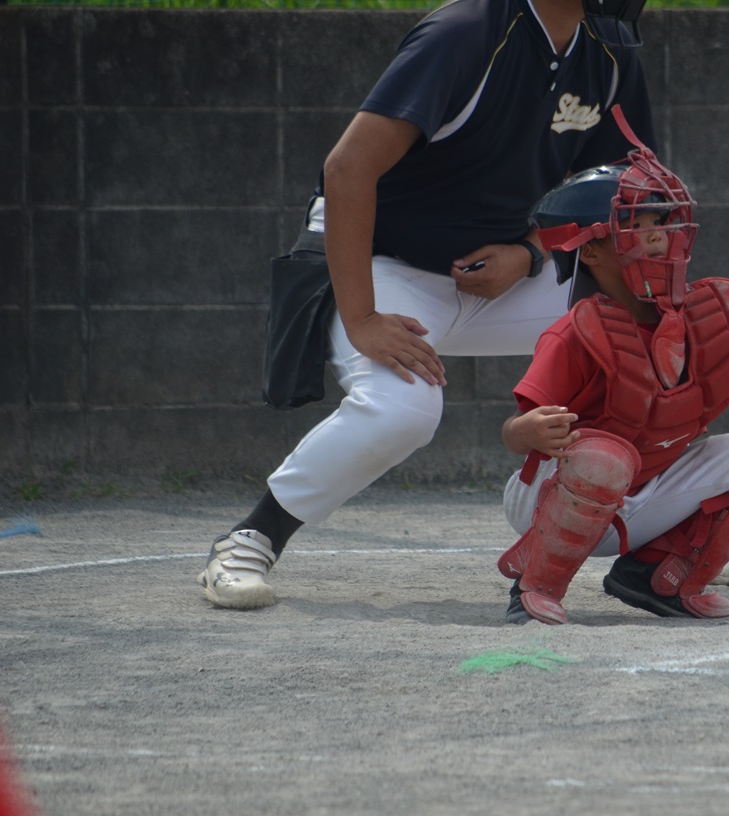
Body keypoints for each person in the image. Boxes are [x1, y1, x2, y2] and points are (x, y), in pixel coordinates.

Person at [197, 0, 668, 609]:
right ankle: (250, 538)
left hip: (498, 269)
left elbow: (617, 200)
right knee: (404, 411)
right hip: (385, 263)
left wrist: (527, 253)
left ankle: (659, 543)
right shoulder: (465, 33)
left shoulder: (606, 49)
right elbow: (345, 169)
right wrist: (363, 317)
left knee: (648, 313)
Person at [496, 107, 729, 624]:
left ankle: (656, 577)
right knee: (605, 457)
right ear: (592, 250)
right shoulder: (575, 333)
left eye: (661, 222)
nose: (657, 235)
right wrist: (529, 429)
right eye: (637, 225)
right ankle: (536, 586)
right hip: (553, 497)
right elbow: (513, 435)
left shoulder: (705, 311)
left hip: (638, 498)